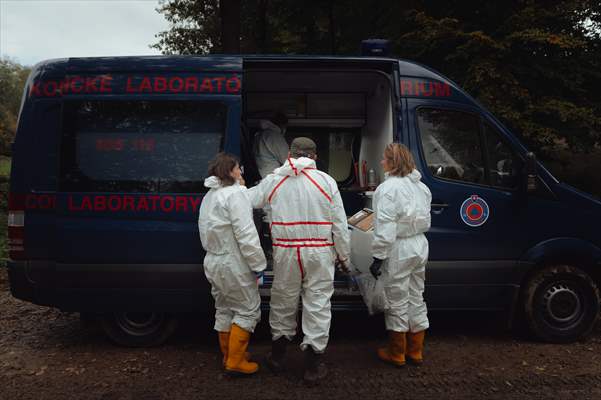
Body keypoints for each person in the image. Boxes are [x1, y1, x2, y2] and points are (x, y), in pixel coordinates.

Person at [248, 137, 350, 385]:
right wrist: (344, 255)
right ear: (314, 157)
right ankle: (313, 367)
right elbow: (339, 223)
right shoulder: (327, 182)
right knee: (317, 303)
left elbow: (246, 200)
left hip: (286, 252)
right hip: (320, 252)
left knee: (283, 300)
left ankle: (277, 357)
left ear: (290, 155)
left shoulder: (274, 180)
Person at [198, 153, 266, 376]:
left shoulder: (211, 195)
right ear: (230, 172)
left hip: (213, 260)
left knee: (225, 308)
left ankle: (229, 355)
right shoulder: (234, 195)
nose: (241, 172)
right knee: (247, 310)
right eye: (238, 168)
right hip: (233, 262)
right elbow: (246, 235)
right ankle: (235, 363)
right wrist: (258, 264)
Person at [369, 143, 432, 367]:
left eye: (385, 159)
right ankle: (415, 351)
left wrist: (378, 257)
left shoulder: (387, 189)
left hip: (399, 248)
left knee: (396, 299)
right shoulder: (421, 188)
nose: (381, 162)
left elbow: (385, 228)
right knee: (416, 296)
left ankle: (396, 352)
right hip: (419, 245)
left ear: (393, 162)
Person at [254, 112, 289, 178]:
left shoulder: (260, 134)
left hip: (262, 172)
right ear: (282, 125)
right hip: (272, 175)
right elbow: (287, 160)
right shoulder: (275, 136)